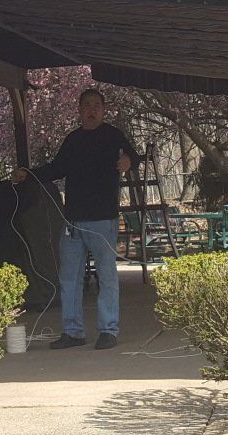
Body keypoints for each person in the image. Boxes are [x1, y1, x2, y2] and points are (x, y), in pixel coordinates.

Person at [12, 89, 137, 349]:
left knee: (106, 276)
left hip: (103, 219)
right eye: (87, 105)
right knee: (69, 277)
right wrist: (29, 174)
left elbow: (133, 157)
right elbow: (56, 168)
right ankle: (72, 332)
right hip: (72, 220)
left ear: (103, 110)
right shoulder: (73, 140)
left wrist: (127, 160)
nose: (91, 110)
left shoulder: (113, 136)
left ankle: (108, 330)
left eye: (96, 106)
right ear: (80, 110)